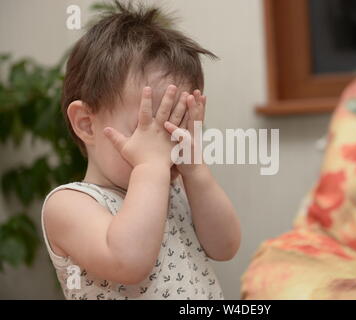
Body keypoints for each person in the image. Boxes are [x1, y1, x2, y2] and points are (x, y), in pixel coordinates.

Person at [40, 1, 240, 300]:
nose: (167, 148)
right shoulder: (69, 206)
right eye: (149, 130)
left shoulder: (172, 190)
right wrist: (151, 168)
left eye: (177, 127)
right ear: (87, 124)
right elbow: (128, 262)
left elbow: (225, 247)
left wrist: (196, 170)